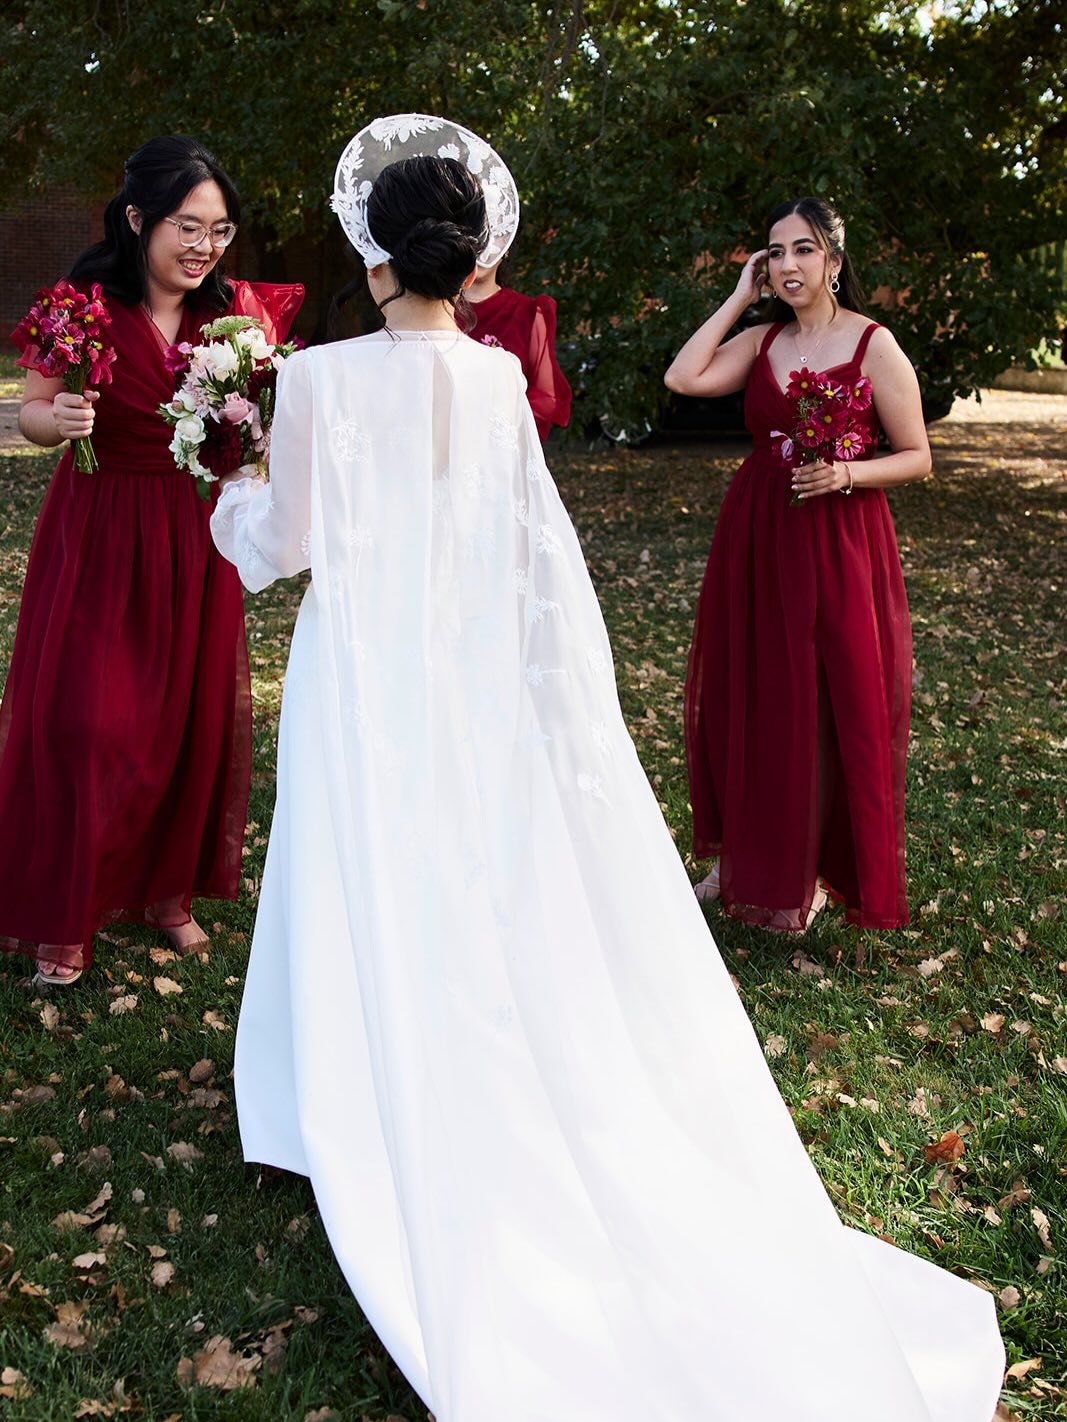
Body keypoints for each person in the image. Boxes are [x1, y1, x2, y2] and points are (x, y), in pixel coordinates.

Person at [211, 122, 1002, 1422]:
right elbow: (525, 554)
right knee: (463, 862)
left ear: (372, 256)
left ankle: (338, 1092)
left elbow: (277, 544)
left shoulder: (318, 382)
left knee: (357, 853)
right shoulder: (490, 380)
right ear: (466, 259)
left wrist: (227, 481)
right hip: (468, 671)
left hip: (363, 669)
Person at [0, 134, 302, 985]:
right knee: (87, 719)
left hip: (192, 532)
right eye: (187, 225)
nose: (204, 246)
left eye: (219, 229)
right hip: (99, 526)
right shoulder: (82, 307)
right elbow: (30, 411)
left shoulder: (236, 318)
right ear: (138, 219)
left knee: (186, 716)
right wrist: (56, 422)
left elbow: (253, 435)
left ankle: (168, 893)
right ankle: (66, 911)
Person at [666, 196, 928, 932]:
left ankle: (810, 870)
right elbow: (683, 377)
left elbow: (917, 456)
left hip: (839, 538)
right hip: (758, 533)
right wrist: (737, 296)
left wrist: (846, 473)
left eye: (803, 249)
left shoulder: (872, 344)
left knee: (824, 699)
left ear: (834, 262)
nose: (787, 264)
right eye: (774, 252)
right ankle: (743, 859)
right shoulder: (761, 342)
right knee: (756, 691)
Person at [468, 252, 572, 440]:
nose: (482, 250)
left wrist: (494, 423)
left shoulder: (527, 313)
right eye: (474, 239)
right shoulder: (431, 308)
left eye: (493, 238)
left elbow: (547, 398)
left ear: (507, 247)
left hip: (498, 447)